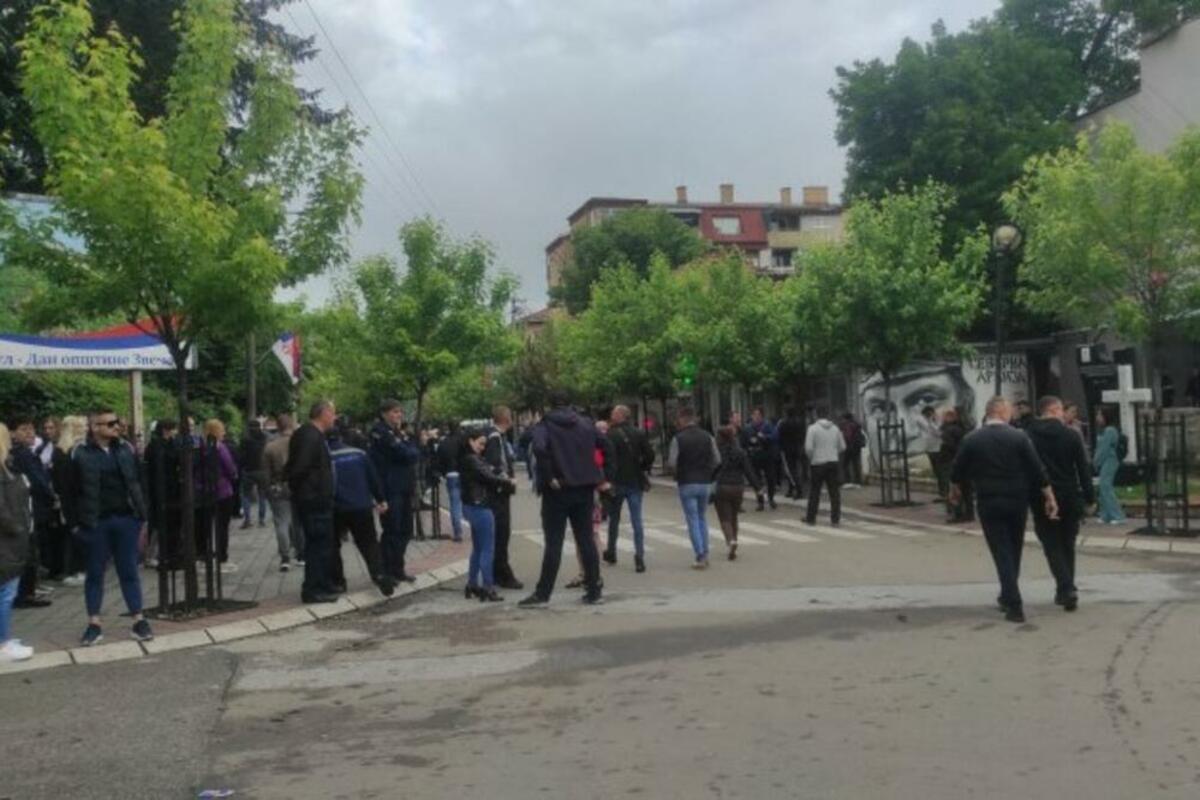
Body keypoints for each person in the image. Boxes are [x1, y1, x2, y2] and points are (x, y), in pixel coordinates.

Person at [950, 397, 1058, 624]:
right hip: (1017, 500)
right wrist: (1048, 494)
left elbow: (957, 469)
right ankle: (1009, 595)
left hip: (989, 500)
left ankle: (1012, 600)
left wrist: (955, 489)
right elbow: (1036, 468)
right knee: (1014, 547)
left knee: (1001, 550)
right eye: (1009, 411)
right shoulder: (1019, 437)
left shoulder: (972, 439)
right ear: (1000, 412)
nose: (1011, 415)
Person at [518, 392, 608, 607]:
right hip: (584, 487)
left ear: (551, 405)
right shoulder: (586, 423)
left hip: (557, 490)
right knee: (586, 540)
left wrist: (549, 476)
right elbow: (605, 444)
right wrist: (603, 476)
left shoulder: (545, 425)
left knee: (554, 543)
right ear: (570, 404)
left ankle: (543, 593)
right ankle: (594, 590)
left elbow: (538, 447)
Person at [73, 408, 153, 646]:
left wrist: (142, 514)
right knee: (95, 573)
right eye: (110, 423)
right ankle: (94, 624)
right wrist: (75, 524)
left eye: (116, 422)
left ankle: (138, 620)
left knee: (129, 570)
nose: (116, 426)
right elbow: (70, 490)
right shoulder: (79, 453)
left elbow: (139, 481)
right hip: (95, 522)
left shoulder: (126, 448)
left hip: (126, 519)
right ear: (94, 427)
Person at [1026, 396, 1095, 612]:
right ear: (1055, 410)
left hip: (1041, 495)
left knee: (1051, 543)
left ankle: (1065, 588)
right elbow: (1082, 468)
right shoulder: (1071, 435)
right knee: (1068, 543)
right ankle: (1067, 588)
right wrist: (1090, 497)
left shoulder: (1029, 435)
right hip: (1069, 493)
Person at [327, 426, 394, 598]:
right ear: (341, 437)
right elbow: (373, 479)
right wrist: (381, 499)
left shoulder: (325, 456)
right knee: (369, 542)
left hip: (337, 508)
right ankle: (378, 574)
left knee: (333, 545)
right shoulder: (359, 454)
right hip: (361, 506)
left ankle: (339, 582)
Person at [288, 401, 339, 603]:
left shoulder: (311, 434)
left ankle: (323, 583)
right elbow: (299, 467)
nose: (335, 418)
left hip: (316, 497)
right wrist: (309, 491)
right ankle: (313, 589)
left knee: (323, 544)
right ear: (324, 413)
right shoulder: (309, 435)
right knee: (317, 545)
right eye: (333, 413)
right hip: (313, 499)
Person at [369, 400, 423, 585]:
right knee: (392, 530)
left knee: (406, 530)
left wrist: (407, 445)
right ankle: (386, 570)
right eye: (394, 412)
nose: (398, 415)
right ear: (384, 413)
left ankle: (398, 568)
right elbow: (405, 453)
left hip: (404, 487)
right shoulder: (380, 432)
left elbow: (414, 452)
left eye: (400, 412)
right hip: (390, 488)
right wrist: (407, 447)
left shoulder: (398, 432)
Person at [461, 427, 515, 602]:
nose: (483, 447)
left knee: (478, 548)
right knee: (487, 549)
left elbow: (489, 472)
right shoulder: (472, 459)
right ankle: (488, 587)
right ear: (471, 441)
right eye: (480, 443)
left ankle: (472, 584)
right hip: (480, 506)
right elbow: (488, 476)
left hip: (472, 506)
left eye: (484, 444)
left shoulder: (470, 458)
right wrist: (508, 481)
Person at [8, 416, 55, 609]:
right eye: (24, 429)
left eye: (32, 429)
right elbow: (37, 479)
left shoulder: (25, 452)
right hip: (30, 506)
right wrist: (51, 495)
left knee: (33, 550)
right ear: (13, 433)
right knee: (30, 551)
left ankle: (28, 591)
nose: (30, 433)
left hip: (32, 506)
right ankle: (25, 594)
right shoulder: (22, 454)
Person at [603, 404, 655, 573]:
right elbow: (650, 455)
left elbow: (606, 458)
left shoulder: (610, 435)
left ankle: (611, 551)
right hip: (635, 481)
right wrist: (642, 467)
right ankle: (639, 556)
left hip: (616, 482)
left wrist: (607, 477)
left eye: (614, 413)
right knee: (636, 520)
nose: (611, 416)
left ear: (621, 416)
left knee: (614, 519)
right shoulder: (638, 433)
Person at [669, 406, 721, 569]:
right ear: (695, 419)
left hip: (686, 482)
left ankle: (700, 555)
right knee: (702, 517)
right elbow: (717, 459)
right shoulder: (708, 437)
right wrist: (707, 470)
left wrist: (678, 473)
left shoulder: (678, 438)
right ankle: (705, 552)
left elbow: (672, 462)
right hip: (704, 482)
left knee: (692, 519)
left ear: (682, 419)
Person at [0, 423, 35, 662]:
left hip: (9, 539)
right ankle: (3, 644)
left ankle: (4, 639)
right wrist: (17, 527)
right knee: (5, 592)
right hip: (6, 541)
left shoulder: (7, 468)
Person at [483, 406, 523, 589]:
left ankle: (497, 571)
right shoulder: (495, 437)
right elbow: (494, 465)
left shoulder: (494, 435)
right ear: (507, 419)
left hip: (497, 492)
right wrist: (507, 480)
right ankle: (502, 573)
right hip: (498, 493)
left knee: (500, 534)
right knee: (501, 533)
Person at [195, 419, 239, 573]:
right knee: (222, 527)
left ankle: (202, 557)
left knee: (203, 526)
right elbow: (230, 468)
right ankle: (222, 559)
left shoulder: (199, 447)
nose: (224, 433)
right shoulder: (221, 448)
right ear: (216, 431)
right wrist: (233, 475)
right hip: (222, 491)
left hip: (202, 491)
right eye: (222, 430)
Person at [713, 424, 760, 561]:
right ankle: (735, 540)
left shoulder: (717, 453)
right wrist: (757, 487)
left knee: (724, 518)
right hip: (738, 487)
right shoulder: (740, 452)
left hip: (722, 486)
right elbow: (748, 471)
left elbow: (712, 469)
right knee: (734, 516)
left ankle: (730, 541)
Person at [263, 413, 303, 572]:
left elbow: (266, 473)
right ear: (292, 425)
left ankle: (285, 558)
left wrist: (268, 489)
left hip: (279, 486)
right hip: (298, 486)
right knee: (298, 522)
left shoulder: (270, 447)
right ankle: (301, 554)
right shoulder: (300, 443)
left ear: (278, 427)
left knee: (281, 522)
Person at [51, 416, 88, 586]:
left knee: (72, 533)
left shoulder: (61, 451)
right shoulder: (72, 451)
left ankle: (76, 568)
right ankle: (76, 569)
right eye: (83, 426)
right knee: (74, 532)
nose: (86, 429)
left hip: (69, 498)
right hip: (73, 498)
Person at [143, 419, 182, 571]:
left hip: (173, 489)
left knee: (171, 524)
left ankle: (171, 556)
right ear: (166, 430)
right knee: (160, 525)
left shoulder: (171, 443)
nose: (175, 432)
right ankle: (159, 556)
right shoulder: (156, 446)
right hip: (160, 489)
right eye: (173, 429)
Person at [805, 408, 846, 527]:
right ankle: (835, 519)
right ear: (828, 415)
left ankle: (811, 518)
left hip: (817, 463)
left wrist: (812, 458)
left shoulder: (812, 429)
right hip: (833, 462)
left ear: (816, 415)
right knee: (834, 492)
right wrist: (833, 453)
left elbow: (808, 448)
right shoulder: (835, 428)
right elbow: (843, 447)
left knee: (815, 491)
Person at [938, 409, 973, 522]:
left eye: (943, 416)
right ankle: (969, 513)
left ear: (950, 417)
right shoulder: (965, 428)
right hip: (965, 461)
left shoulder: (949, 430)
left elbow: (949, 445)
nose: (941, 418)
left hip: (951, 461)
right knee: (966, 488)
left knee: (954, 488)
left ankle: (958, 513)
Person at [1093, 408, 1126, 525]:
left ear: (1105, 416)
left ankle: (1118, 515)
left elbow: (1103, 449)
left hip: (1110, 460)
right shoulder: (1106, 430)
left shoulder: (1109, 430)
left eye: (1099, 415)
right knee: (1103, 487)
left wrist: (1095, 462)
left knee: (1105, 486)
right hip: (1107, 460)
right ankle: (1105, 515)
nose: (1097, 417)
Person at [743, 408, 779, 511]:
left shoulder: (768, 425)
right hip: (755, 457)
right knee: (757, 480)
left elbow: (775, 436)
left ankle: (771, 499)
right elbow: (744, 441)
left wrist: (764, 437)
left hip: (767, 455)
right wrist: (748, 448)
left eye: (758, 415)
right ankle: (760, 502)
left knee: (771, 478)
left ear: (762, 416)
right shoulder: (748, 428)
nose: (756, 417)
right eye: (754, 415)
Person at [237, 419, 269, 529]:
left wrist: (241, 467)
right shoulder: (264, 439)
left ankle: (247, 520)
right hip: (262, 470)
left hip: (248, 471)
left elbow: (240, 456)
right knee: (262, 496)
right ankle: (261, 520)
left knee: (246, 495)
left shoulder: (245, 440)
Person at [436, 422, 464, 543]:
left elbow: (438, 460)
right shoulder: (463, 441)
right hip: (464, 473)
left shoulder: (444, 443)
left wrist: (442, 473)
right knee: (470, 503)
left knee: (455, 504)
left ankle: (458, 532)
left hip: (450, 474)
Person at [777, 408, 807, 499]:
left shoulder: (783, 423)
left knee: (790, 470)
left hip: (787, 449)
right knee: (797, 469)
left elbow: (779, 436)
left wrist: (780, 447)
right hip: (798, 448)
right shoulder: (800, 423)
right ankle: (792, 489)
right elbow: (803, 435)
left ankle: (797, 489)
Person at [838, 412, 866, 489]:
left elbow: (848, 436)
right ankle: (858, 482)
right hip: (857, 447)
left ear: (846, 418)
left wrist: (845, 443)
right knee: (856, 464)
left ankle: (848, 481)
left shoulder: (848, 425)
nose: (842, 420)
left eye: (843, 418)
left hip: (849, 447)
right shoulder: (856, 424)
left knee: (845, 464)